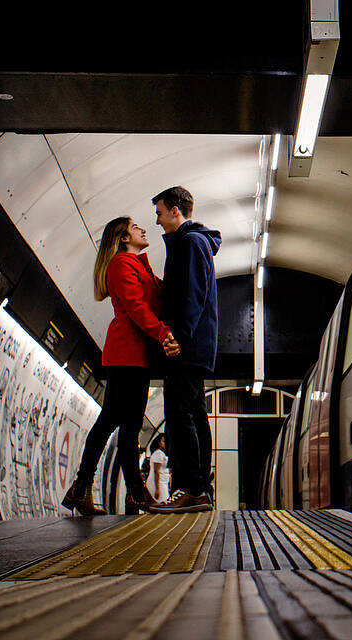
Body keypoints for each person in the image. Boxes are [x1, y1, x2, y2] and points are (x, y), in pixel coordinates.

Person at [61, 217, 180, 515]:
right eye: (135, 226)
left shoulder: (139, 266)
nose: (142, 229)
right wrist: (163, 333)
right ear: (123, 238)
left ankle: (120, 493)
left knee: (126, 426)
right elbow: (136, 307)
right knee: (114, 421)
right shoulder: (120, 264)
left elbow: (160, 296)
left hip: (136, 355)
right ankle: (94, 489)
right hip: (126, 354)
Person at [148, 186, 222, 514]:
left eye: (160, 213)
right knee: (195, 414)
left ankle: (191, 489)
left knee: (180, 415)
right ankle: (199, 488)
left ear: (175, 210)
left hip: (188, 344)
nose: (157, 220)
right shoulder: (193, 242)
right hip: (196, 344)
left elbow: (194, 292)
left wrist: (179, 335)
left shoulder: (191, 242)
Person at [148, 434, 171, 503]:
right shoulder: (158, 454)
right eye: (163, 441)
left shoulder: (163, 454)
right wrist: (157, 489)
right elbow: (156, 471)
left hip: (163, 482)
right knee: (163, 502)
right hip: (158, 484)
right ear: (159, 443)